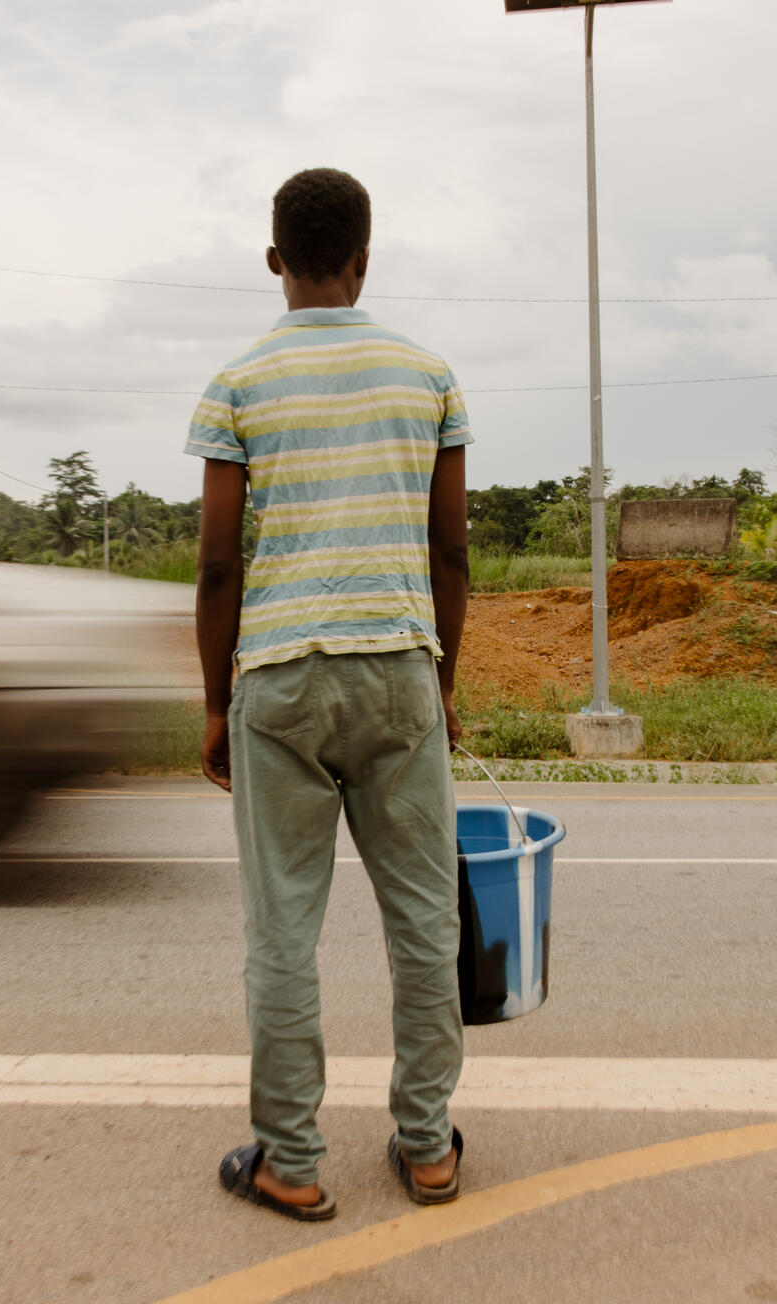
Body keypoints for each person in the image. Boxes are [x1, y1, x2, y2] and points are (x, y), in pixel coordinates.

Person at [190, 168, 472, 1222]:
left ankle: (293, 1159)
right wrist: (436, 680)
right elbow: (449, 548)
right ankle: (428, 1144)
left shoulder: (236, 383)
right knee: (421, 917)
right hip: (398, 662)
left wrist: (215, 703)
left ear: (274, 260)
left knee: (281, 928)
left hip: (278, 673)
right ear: (363, 257)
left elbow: (218, 565)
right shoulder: (427, 375)